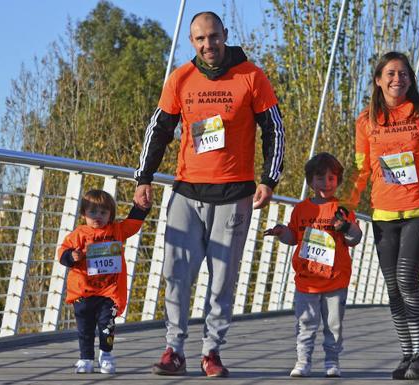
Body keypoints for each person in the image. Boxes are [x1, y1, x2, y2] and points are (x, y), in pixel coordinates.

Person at [133, 11, 285, 377]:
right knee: (177, 274)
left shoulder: (251, 76)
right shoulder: (181, 78)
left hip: (234, 194)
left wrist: (270, 179)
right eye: (200, 39)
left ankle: (211, 352)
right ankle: (174, 349)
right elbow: (159, 129)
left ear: (225, 35)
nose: (208, 45)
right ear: (193, 42)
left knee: (222, 279)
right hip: (187, 192)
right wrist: (144, 178)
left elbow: (275, 129)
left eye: (214, 37)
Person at [345, 51, 419, 381]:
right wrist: (343, 204)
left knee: (406, 280)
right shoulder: (365, 121)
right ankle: (406, 355)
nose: (398, 79)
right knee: (393, 288)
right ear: (378, 80)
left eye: (404, 74)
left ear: (411, 79)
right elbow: (360, 170)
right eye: (391, 73)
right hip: (383, 214)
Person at [264, 153, 362, 378]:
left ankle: (332, 361)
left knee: (333, 325)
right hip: (307, 280)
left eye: (331, 178)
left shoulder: (342, 209)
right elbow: (293, 237)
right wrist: (281, 232)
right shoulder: (301, 209)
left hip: (335, 279)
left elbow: (355, 238)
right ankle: (303, 361)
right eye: (320, 178)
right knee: (305, 322)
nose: (326, 183)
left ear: (337, 181)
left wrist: (345, 228)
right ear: (310, 181)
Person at [58, 190, 149, 374]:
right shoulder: (79, 234)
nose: (97, 216)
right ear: (84, 214)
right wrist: (71, 256)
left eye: (103, 212)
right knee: (85, 328)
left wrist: (140, 208)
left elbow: (132, 224)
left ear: (110, 215)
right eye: (92, 212)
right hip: (83, 291)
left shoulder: (117, 230)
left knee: (107, 325)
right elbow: (62, 252)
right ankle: (86, 358)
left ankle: (106, 355)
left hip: (110, 291)